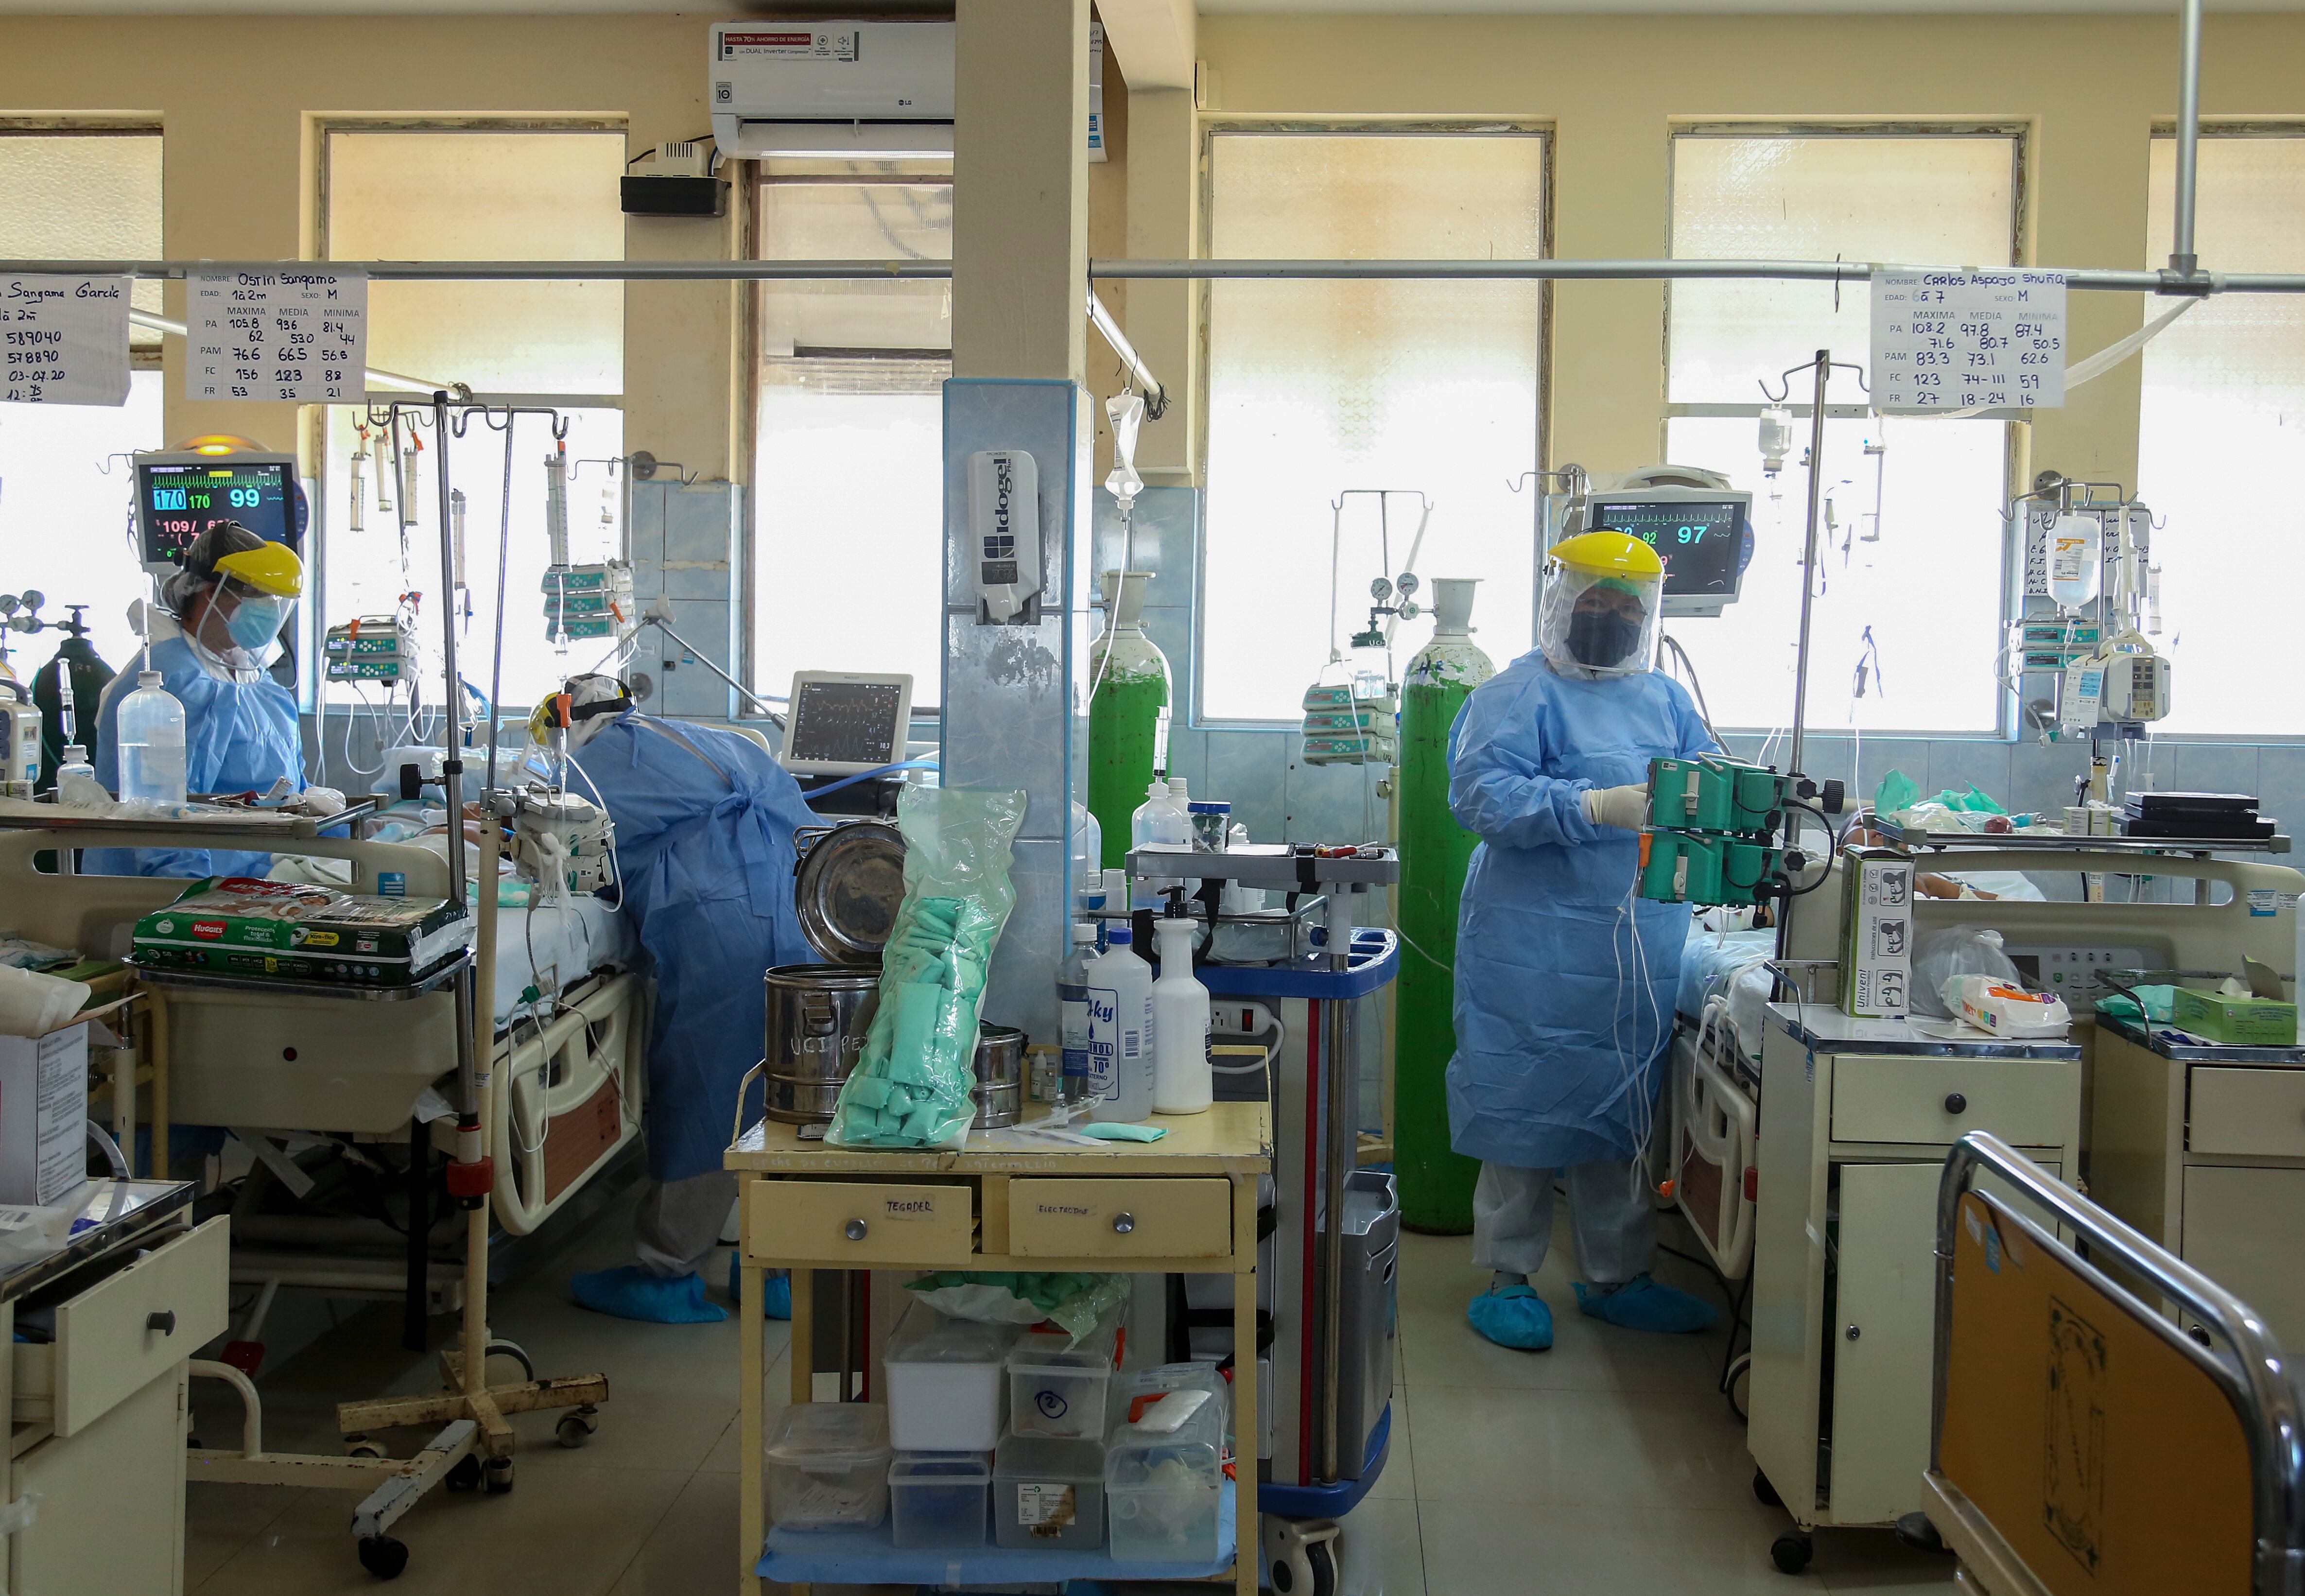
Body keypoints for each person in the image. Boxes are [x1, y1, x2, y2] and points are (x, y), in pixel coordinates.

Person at [1445, 531, 1724, 1352]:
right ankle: (1505, 1276)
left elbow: (1705, 779)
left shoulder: (1667, 701)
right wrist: (1593, 806)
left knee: (1619, 1115)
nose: (1607, 618)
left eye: (1624, 607)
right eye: (1592, 602)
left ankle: (1617, 1277)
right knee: (1521, 1112)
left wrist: (1706, 802)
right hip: (1529, 943)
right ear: (1562, 604)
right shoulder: (1513, 692)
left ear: (1646, 617)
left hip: (1633, 938)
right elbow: (1481, 795)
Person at [561, 676, 823, 1324]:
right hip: (805, 917)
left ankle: (667, 1275)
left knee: (709, 1100)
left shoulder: (591, 767)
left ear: (570, 721)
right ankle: (778, 1271)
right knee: (792, 1100)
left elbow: (568, 859)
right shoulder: (713, 741)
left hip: (719, 931)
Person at [87, 523, 305, 880]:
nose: (267, 609)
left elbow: (296, 790)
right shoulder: (165, 681)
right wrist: (189, 896)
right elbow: (157, 814)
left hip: (266, 873)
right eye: (255, 595)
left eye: (272, 599)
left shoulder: (259, 684)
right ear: (210, 592)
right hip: (181, 886)